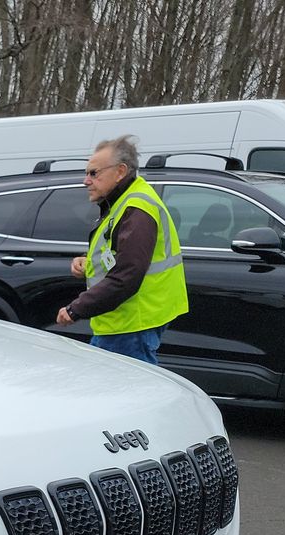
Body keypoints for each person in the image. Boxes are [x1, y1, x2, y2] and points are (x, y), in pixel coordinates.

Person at [56, 135, 188, 364]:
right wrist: (88, 263)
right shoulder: (123, 201)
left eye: (94, 173)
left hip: (131, 324)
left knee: (123, 395)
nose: (86, 181)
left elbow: (126, 275)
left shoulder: (137, 207)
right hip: (124, 322)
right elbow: (120, 255)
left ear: (120, 171)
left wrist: (76, 309)